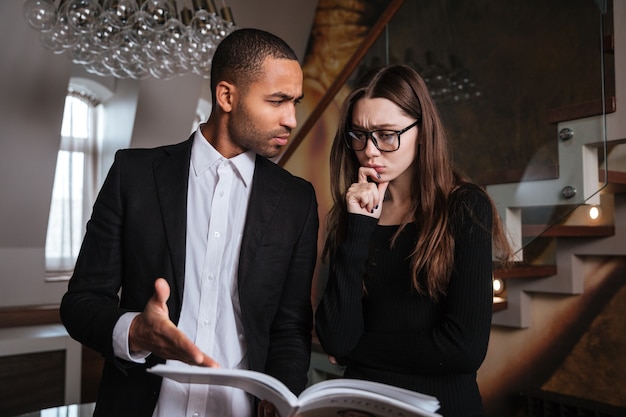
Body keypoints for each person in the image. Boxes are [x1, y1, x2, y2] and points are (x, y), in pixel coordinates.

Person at [60, 28, 319, 417]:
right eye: (277, 101)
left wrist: (279, 394)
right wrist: (134, 331)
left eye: (295, 102)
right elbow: (80, 303)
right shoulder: (133, 175)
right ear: (227, 96)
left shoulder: (298, 201)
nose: (291, 119)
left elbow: (291, 327)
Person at [314, 64, 513, 417]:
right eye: (358, 135)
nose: (370, 151)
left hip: (441, 410)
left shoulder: (465, 207)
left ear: (422, 131)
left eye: (387, 134)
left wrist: (354, 351)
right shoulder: (352, 214)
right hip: (362, 408)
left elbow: (463, 349)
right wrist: (360, 226)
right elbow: (335, 337)